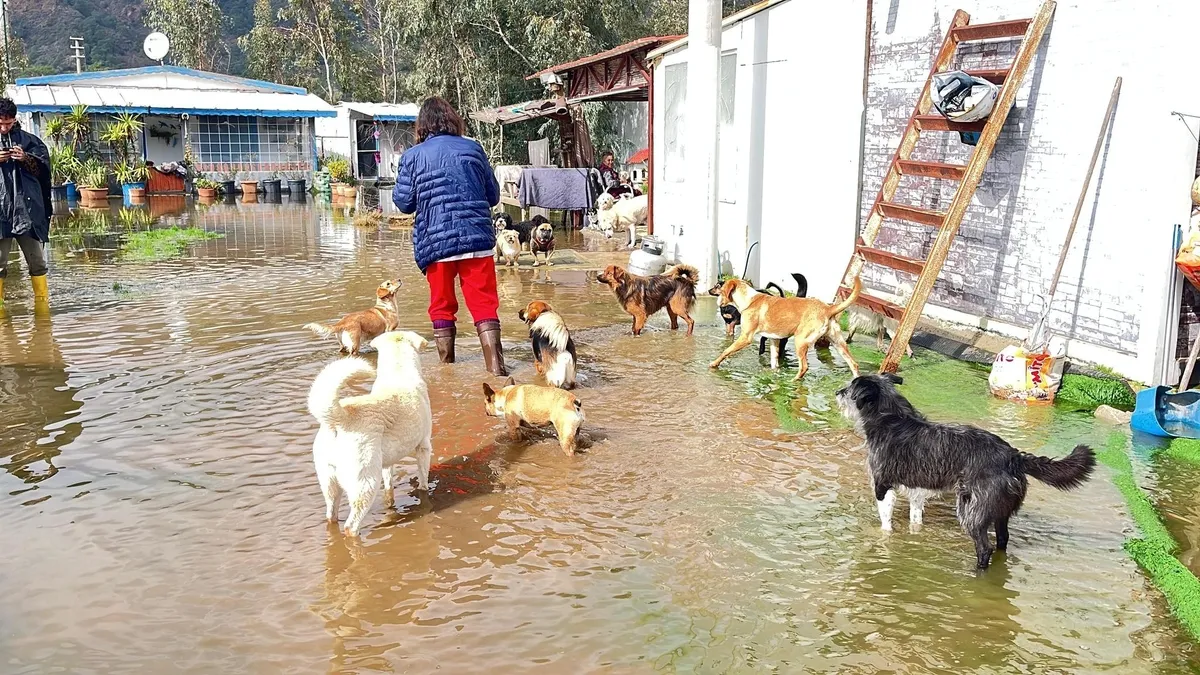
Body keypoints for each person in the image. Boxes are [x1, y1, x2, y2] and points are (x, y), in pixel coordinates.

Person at [393, 97, 507, 376]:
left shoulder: (412, 156)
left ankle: (447, 374)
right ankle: (497, 370)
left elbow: (404, 203)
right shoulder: (473, 149)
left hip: (436, 243)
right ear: (453, 121)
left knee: (442, 306)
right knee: (484, 304)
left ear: (422, 126)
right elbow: (493, 196)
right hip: (476, 241)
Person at [0, 97, 52, 309]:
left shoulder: (30, 140)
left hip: (26, 210)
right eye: (0, 122)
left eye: (9, 122)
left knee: (37, 263)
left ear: (15, 119)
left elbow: (43, 171)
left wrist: (26, 158)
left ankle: (43, 313)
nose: (4, 127)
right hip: (0, 211)